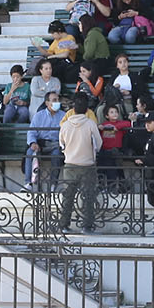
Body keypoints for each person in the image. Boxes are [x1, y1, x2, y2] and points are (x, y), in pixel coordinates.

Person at [57, 93, 103, 233]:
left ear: (73, 109)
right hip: (88, 164)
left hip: (70, 164)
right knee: (88, 196)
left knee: (68, 197)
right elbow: (98, 143)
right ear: (86, 109)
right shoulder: (90, 124)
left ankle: (64, 225)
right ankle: (87, 226)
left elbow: (61, 143)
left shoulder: (65, 125)